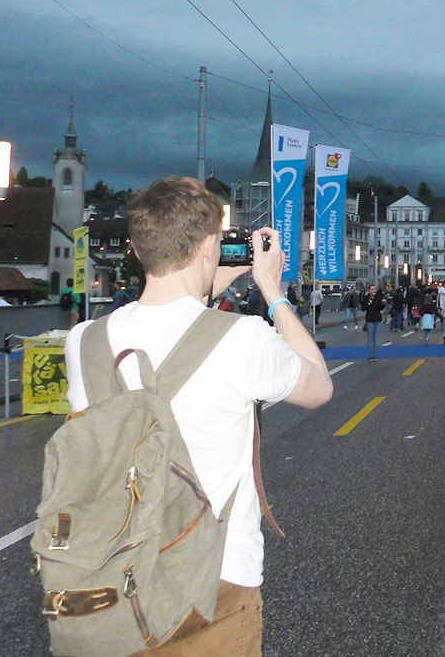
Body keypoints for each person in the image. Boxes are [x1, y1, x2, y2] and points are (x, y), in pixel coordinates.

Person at [63, 176, 332, 656]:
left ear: (141, 247)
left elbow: (166, 336)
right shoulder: (240, 337)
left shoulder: (83, 340)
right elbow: (318, 386)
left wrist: (204, 288)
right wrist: (273, 291)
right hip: (212, 584)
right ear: (211, 244)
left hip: (111, 583)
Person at [361, 283, 387, 361]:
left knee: (376, 338)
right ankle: (370, 355)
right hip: (370, 319)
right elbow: (363, 308)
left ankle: (375, 354)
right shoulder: (366, 298)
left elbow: (380, 308)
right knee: (370, 338)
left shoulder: (378, 298)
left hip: (378, 319)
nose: (373, 291)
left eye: (374, 289)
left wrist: (383, 304)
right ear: (369, 290)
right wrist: (368, 303)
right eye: (372, 289)